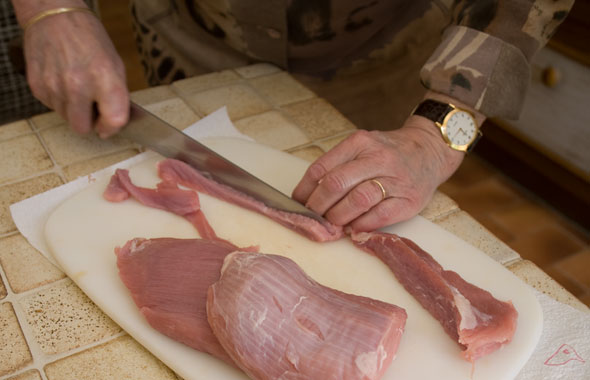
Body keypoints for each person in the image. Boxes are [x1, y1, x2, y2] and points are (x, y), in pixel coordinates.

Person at [10, 0, 574, 233]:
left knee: (359, 211)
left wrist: (435, 136)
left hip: (380, 53)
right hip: (189, 29)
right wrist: (49, 10)